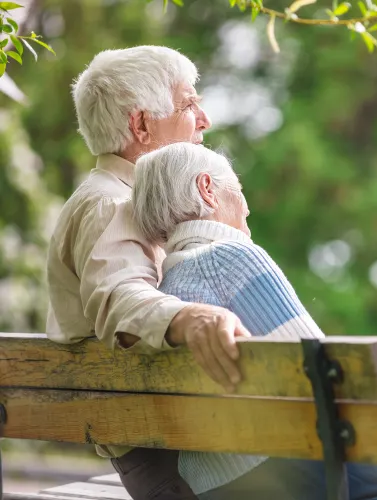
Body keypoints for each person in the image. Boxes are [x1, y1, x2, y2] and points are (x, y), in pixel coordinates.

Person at [130, 142, 377, 500]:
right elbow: (334, 387)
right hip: (291, 465)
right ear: (207, 189)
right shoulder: (230, 258)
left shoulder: (167, 289)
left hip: (215, 484)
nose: (248, 205)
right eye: (238, 189)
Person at [45, 46, 251, 500]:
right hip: (172, 460)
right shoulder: (112, 203)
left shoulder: (132, 200)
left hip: (182, 441)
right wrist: (190, 318)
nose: (204, 119)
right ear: (141, 125)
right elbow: (119, 297)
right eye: (188, 104)